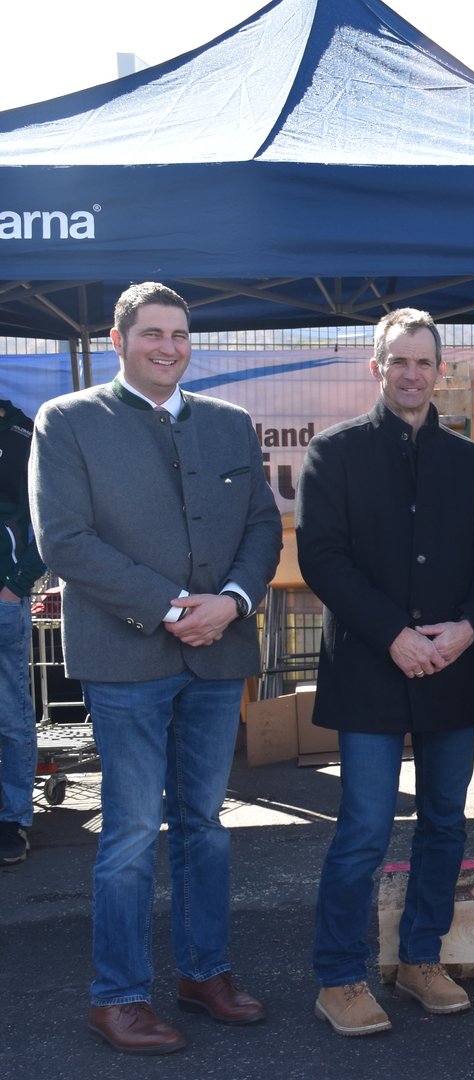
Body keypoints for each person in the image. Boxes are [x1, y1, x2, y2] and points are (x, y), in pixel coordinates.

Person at [29, 282, 281, 1054]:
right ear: (118, 340)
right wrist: (173, 608)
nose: (169, 347)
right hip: (126, 659)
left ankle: (205, 973)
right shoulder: (67, 421)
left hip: (217, 655)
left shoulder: (229, 424)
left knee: (204, 825)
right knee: (133, 829)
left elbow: (262, 525)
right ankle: (118, 998)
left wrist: (231, 602)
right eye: (152, 333)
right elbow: (64, 541)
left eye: (179, 334)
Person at [297, 308, 474, 1036]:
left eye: (423, 361)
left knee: (444, 824)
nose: (411, 373)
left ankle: (421, 958)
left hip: (449, 666)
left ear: (440, 371)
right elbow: (323, 557)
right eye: (398, 360)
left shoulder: (466, 460)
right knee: (363, 828)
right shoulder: (334, 453)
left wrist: (469, 627)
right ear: (376, 367)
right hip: (370, 668)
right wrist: (393, 634)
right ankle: (339, 977)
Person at [1, 397, 46, 866]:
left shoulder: (23, 436)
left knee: (11, 717)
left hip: (2, 601)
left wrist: (15, 586)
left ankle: (11, 820)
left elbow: (50, 519)